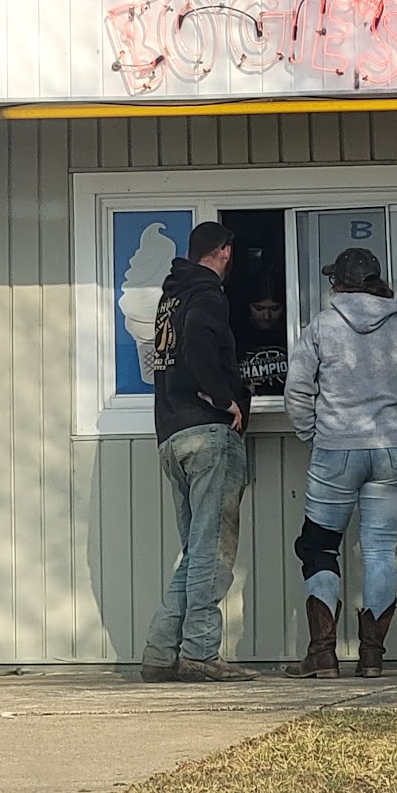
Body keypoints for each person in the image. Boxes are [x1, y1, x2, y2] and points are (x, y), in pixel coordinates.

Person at [283, 246, 397, 678]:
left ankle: (322, 653)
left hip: (336, 451)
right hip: (393, 452)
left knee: (319, 546)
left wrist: (312, 434)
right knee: (379, 552)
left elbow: (297, 390)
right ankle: (372, 655)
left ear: (338, 283)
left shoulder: (322, 326)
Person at [140, 221, 255, 683]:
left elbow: (174, 352)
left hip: (171, 433)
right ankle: (202, 653)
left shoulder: (172, 297)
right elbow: (198, 349)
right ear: (224, 251)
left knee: (195, 551)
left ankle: (161, 650)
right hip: (208, 435)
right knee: (212, 551)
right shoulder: (208, 295)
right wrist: (224, 398)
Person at [232, 272, 288, 397]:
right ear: (248, 306)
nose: (266, 316)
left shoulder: (293, 333)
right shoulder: (235, 335)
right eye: (259, 308)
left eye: (274, 309)